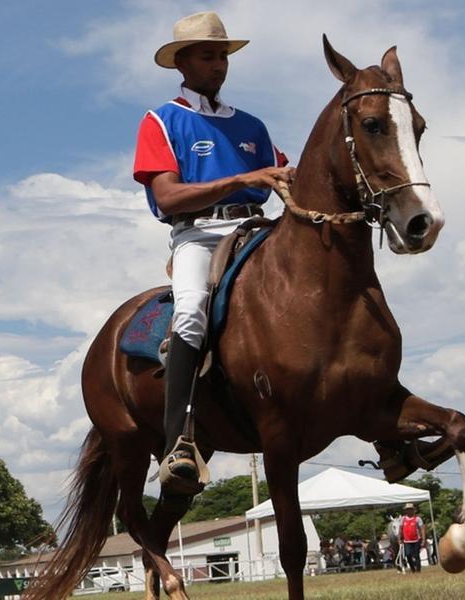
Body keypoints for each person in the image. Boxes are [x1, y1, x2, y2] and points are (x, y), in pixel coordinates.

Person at [131, 11, 293, 492]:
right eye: (207, 55)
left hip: (257, 227)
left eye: (223, 55)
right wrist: (243, 178)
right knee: (190, 314)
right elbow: (167, 197)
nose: (218, 64)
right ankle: (177, 441)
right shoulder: (162, 120)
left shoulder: (251, 125)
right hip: (198, 234)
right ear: (181, 63)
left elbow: (285, 177)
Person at [398, 503, 427, 573]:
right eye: (407, 509)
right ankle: (412, 569)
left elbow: (422, 529)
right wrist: (399, 539)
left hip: (416, 540)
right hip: (407, 541)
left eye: (410, 509)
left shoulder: (417, 518)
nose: (409, 511)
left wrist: (423, 540)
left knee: (416, 555)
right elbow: (400, 529)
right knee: (408, 555)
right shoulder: (403, 519)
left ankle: (418, 570)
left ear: (413, 510)